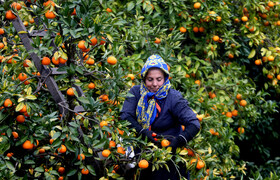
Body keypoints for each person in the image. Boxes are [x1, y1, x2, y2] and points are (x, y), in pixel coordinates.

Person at [120, 54, 200, 180]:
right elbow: (125, 116)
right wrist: (142, 132)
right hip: (143, 157)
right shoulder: (136, 92)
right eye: (150, 79)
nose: (155, 84)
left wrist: (178, 141)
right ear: (144, 78)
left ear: (165, 78)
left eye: (159, 79)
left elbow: (194, 123)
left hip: (168, 158)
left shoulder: (173, 97)